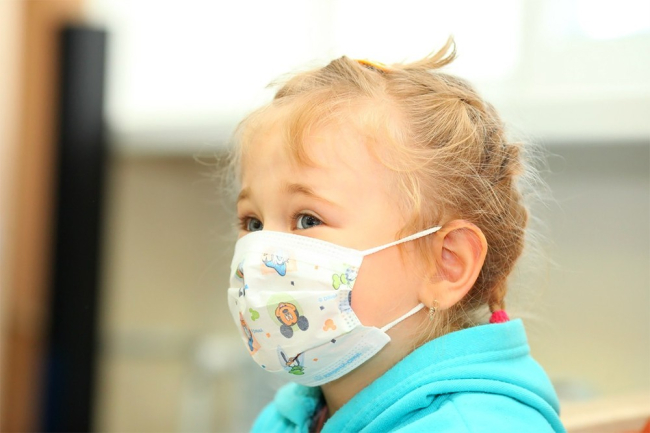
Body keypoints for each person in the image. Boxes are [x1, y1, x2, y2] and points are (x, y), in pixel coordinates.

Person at [225, 38, 565, 432]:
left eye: (306, 219)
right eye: (253, 223)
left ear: (446, 265)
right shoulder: (285, 418)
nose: (261, 257)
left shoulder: (473, 426)